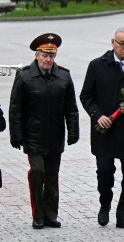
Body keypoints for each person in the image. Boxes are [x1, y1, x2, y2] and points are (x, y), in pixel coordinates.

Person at [79, 28, 124, 230]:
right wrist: (97, 115)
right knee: (105, 171)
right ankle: (105, 203)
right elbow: (86, 96)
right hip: (104, 130)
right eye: (122, 43)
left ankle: (123, 214)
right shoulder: (97, 65)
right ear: (113, 43)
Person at [9, 33, 80, 229]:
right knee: (38, 172)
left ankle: (50, 215)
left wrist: (73, 131)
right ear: (36, 55)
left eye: (52, 55)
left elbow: (71, 108)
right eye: (44, 55)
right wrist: (16, 135)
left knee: (51, 176)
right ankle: (37, 215)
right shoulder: (24, 76)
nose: (48, 60)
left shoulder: (63, 76)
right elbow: (15, 109)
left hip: (55, 136)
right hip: (33, 137)